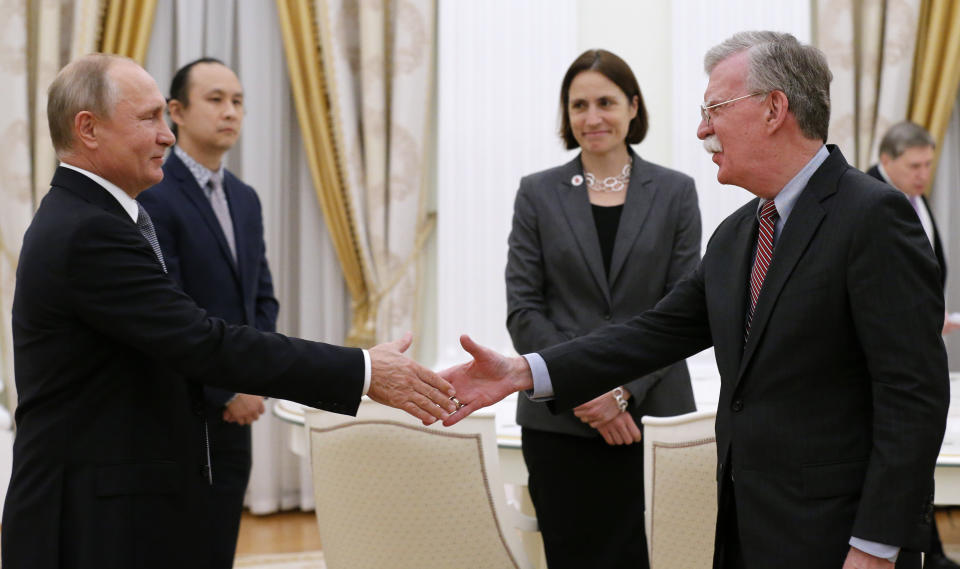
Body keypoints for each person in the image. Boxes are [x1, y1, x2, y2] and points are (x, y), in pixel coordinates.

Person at [440, 31, 948, 569]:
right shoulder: (737, 235)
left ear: (775, 108)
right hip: (746, 531)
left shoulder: (874, 216)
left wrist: (875, 545)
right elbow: (652, 333)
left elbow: (912, 396)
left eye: (715, 110)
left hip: (839, 541)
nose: (702, 129)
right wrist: (524, 371)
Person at [3, 53, 457, 569]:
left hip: (121, 498)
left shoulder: (93, 216)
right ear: (88, 128)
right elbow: (199, 339)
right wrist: (364, 370)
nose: (167, 136)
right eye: (148, 118)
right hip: (89, 518)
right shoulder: (89, 230)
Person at [505, 49, 701, 569]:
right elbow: (524, 310)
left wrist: (621, 391)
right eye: (578, 105)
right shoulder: (537, 193)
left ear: (633, 107)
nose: (592, 118)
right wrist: (585, 387)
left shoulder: (677, 192)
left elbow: (685, 310)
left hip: (652, 416)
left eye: (606, 102)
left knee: (654, 556)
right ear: (566, 116)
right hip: (560, 423)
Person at [137, 58, 274, 568]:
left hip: (241, 405)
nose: (230, 112)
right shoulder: (152, 191)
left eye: (238, 101)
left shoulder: (246, 198)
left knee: (220, 543)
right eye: (215, 100)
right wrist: (227, 388)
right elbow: (169, 306)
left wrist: (254, 380)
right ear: (175, 111)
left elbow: (262, 297)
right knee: (179, 547)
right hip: (180, 406)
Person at [867, 121, 960, 569]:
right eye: (915, 165)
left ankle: (933, 552)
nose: (924, 174)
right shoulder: (867, 199)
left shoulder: (915, 199)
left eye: (929, 164)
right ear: (886, 161)